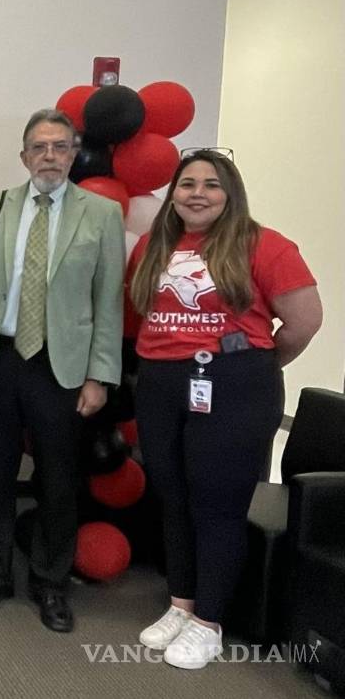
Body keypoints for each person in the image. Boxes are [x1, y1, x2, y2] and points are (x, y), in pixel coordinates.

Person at [127, 149, 321, 669]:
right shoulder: (153, 245)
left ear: (230, 192)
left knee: (217, 504)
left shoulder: (267, 245)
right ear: (173, 194)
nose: (197, 193)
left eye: (211, 185)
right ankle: (181, 603)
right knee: (173, 495)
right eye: (186, 184)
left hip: (234, 384)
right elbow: (142, 311)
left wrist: (252, 363)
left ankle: (208, 621)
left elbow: (304, 321)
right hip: (163, 382)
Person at [0, 108, 124, 633]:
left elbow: (108, 299)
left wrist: (100, 374)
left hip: (60, 362)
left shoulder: (101, 214)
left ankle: (50, 582)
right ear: (24, 155)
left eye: (59, 146)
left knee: (57, 476)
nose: (49, 156)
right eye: (39, 147)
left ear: (73, 153)